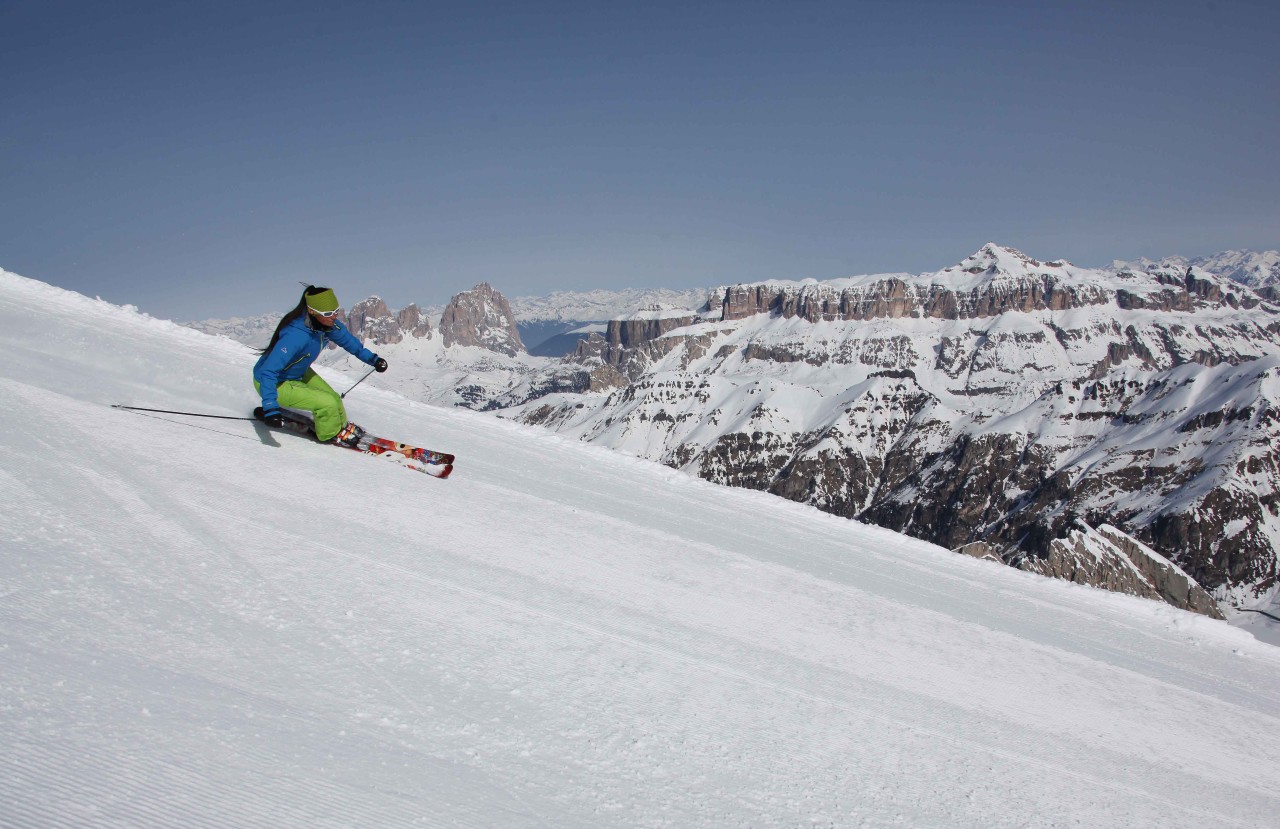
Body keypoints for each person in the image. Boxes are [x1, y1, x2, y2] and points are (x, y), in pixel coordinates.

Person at [253, 285, 388, 445]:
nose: (333, 316)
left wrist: (373, 360)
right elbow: (269, 371)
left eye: (335, 311)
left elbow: (352, 345)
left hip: (298, 372)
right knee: (326, 404)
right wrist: (270, 408)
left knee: (334, 399)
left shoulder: (328, 326)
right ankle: (330, 434)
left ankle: (340, 427)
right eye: (328, 313)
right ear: (312, 311)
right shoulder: (295, 336)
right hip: (273, 382)